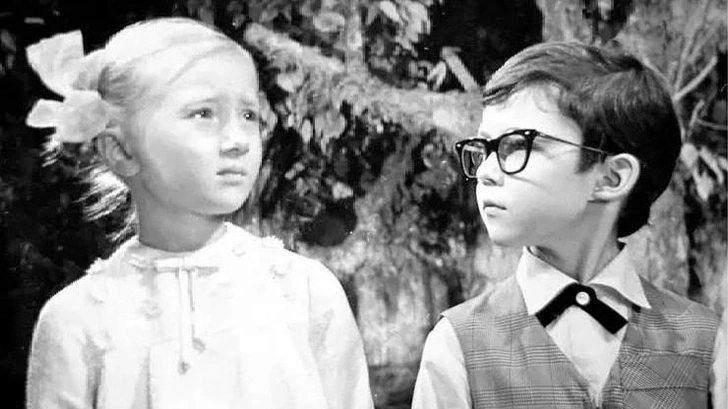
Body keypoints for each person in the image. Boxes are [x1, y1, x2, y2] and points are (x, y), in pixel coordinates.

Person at [24, 17, 373, 409]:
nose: (238, 140)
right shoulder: (76, 321)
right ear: (120, 150)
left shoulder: (305, 293)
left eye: (249, 115)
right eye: (204, 113)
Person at [412, 41, 725, 408]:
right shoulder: (458, 343)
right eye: (485, 148)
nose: (485, 171)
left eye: (517, 145)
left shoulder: (706, 341)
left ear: (611, 177)